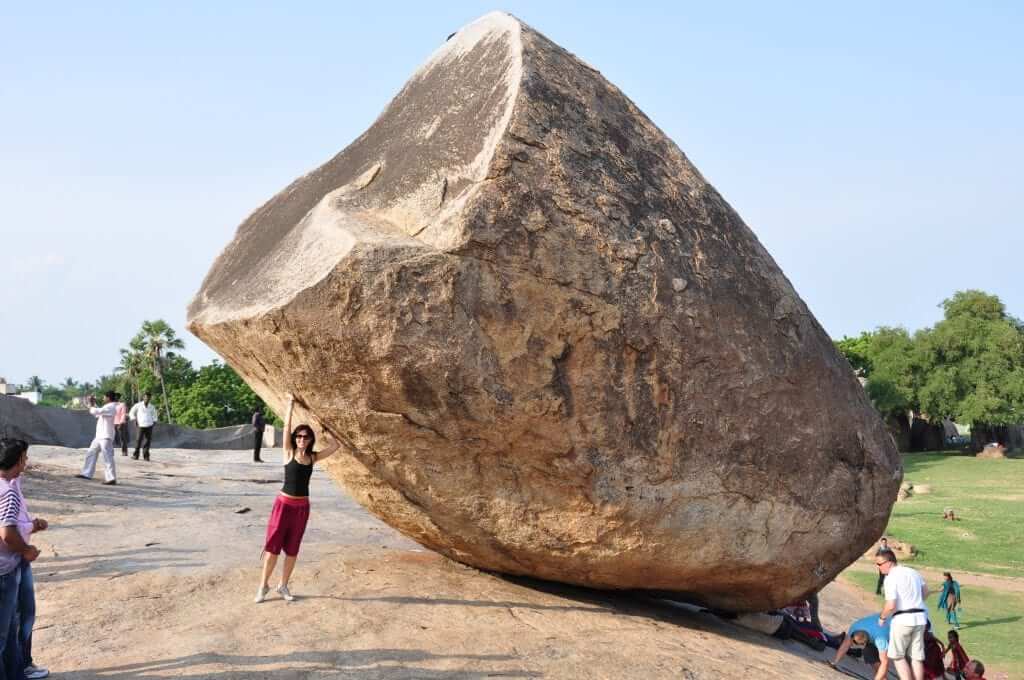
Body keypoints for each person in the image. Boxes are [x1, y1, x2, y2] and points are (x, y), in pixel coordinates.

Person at [254, 394, 339, 603]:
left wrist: (322, 425)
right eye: (299, 436)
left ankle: (282, 586)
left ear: (310, 440)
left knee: (292, 549)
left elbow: (336, 446)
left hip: (301, 508)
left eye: (306, 437)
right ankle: (263, 586)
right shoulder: (288, 452)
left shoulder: (313, 457)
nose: (302, 439)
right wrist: (290, 405)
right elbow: (287, 425)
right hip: (283, 505)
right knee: (273, 548)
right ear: (295, 438)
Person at [0, 438, 50, 679]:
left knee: (15, 622)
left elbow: (13, 521)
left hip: (13, 557)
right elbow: (7, 532)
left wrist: (31, 526)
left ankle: (19, 667)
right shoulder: (7, 490)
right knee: (8, 628)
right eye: (25, 457)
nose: (27, 462)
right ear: (18, 460)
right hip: (8, 563)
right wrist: (25, 551)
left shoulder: (12, 483)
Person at [877, 550, 929, 680]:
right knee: (916, 658)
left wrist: (882, 618)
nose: (878, 567)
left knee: (897, 656)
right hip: (921, 618)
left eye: (879, 564)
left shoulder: (890, 578)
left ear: (889, 562)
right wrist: (915, 601)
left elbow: (891, 605)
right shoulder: (913, 572)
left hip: (903, 619)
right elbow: (926, 592)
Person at [830, 613, 892, 680]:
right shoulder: (855, 627)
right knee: (868, 653)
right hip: (882, 625)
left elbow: (885, 662)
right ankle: (882, 677)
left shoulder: (880, 640)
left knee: (884, 657)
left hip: (896, 631)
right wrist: (834, 662)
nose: (851, 645)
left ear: (864, 643)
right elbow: (845, 644)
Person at [77, 391, 118, 485]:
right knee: (91, 452)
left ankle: (111, 478)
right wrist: (92, 404)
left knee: (107, 456)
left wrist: (91, 405)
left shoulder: (111, 406)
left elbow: (96, 411)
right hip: (100, 435)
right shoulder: (107, 407)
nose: (103, 399)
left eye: (104, 397)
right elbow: (97, 414)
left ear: (108, 398)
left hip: (106, 436)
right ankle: (87, 473)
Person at [129, 392, 158, 461]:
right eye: (146, 397)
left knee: (147, 441)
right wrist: (134, 419)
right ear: (143, 397)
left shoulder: (152, 406)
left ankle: (146, 456)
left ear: (150, 398)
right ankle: (135, 455)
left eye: (148, 397)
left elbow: (154, 415)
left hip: (149, 425)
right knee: (138, 440)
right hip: (140, 425)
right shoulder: (138, 405)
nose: (147, 398)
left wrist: (154, 421)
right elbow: (131, 412)